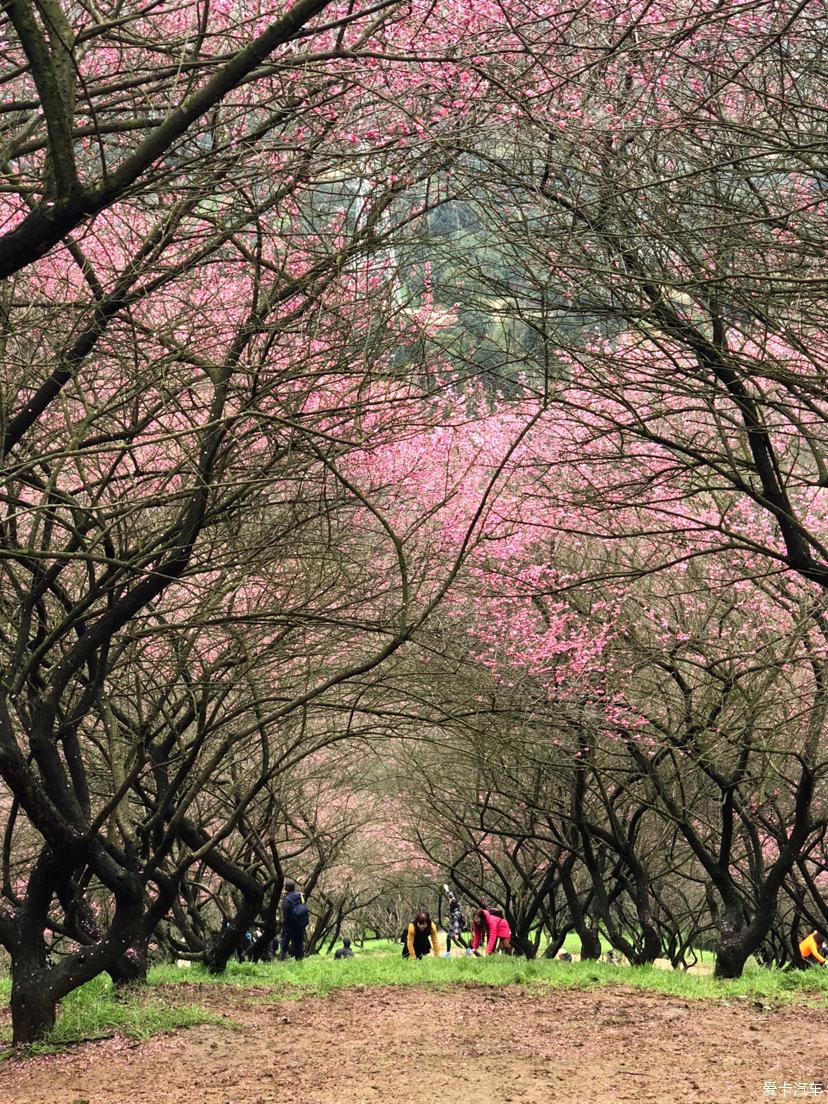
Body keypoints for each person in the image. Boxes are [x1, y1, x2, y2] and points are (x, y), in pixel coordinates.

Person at [280, 879, 309, 961]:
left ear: (286, 888)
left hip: (290, 926)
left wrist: (284, 924)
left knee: (284, 943)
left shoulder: (287, 900)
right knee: (299, 944)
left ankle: (282, 959)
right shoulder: (301, 895)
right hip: (300, 924)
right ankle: (299, 960)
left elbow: (286, 916)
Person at [443, 884, 467, 955]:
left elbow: (456, 923)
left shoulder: (455, 913)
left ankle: (448, 953)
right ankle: (468, 949)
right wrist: (447, 889)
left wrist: (456, 933)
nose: (449, 901)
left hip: (454, 927)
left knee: (451, 938)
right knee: (456, 938)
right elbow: (451, 896)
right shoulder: (454, 904)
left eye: (450, 902)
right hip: (452, 925)